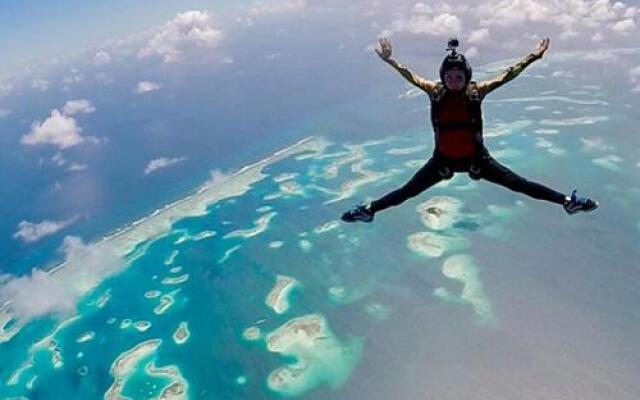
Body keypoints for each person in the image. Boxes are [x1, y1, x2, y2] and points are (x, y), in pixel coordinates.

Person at [341, 36, 599, 223]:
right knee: (407, 191)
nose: (454, 82)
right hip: (443, 160)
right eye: (450, 77)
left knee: (519, 184)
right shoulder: (435, 91)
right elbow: (412, 76)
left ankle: (568, 202)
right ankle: (369, 210)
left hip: (477, 159)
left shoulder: (477, 92)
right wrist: (391, 61)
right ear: (443, 77)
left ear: (467, 77)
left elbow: (507, 75)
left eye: (459, 77)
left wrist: (534, 57)